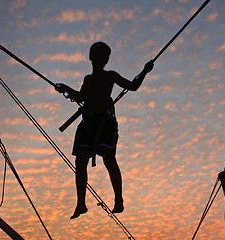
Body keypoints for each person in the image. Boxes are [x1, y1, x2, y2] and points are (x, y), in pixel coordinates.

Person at [56, 42, 154, 219]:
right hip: (88, 123)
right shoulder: (88, 80)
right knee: (80, 161)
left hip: (105, 123)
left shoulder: (111, 76)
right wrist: (64, 87)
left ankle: (119, 199)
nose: (101, 60)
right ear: (91, 57)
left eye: (104, 57)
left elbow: (132, 86)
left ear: (106, 60)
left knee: (109, 159)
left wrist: (145, 71)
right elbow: (79, 97)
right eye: (99, 56)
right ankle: (81, 203)